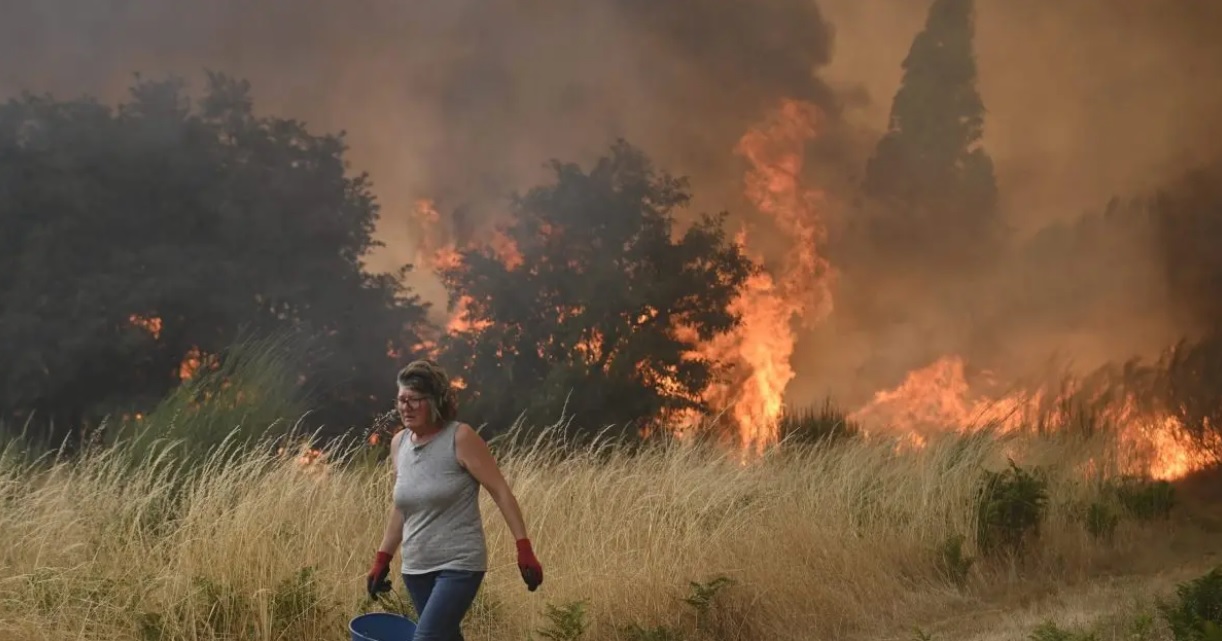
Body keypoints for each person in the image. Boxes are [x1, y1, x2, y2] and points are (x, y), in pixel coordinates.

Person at [366, 359, 543, 641]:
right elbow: (402, 506)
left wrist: (524, 548)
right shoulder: (399, 444)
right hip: (416, 569)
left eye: (414, 400)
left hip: (459, 565)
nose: (406, 407)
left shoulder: (460, 438)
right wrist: (382, 558)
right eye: (401, 400)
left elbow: (500, 491)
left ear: (435, 401)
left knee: (426, 638)